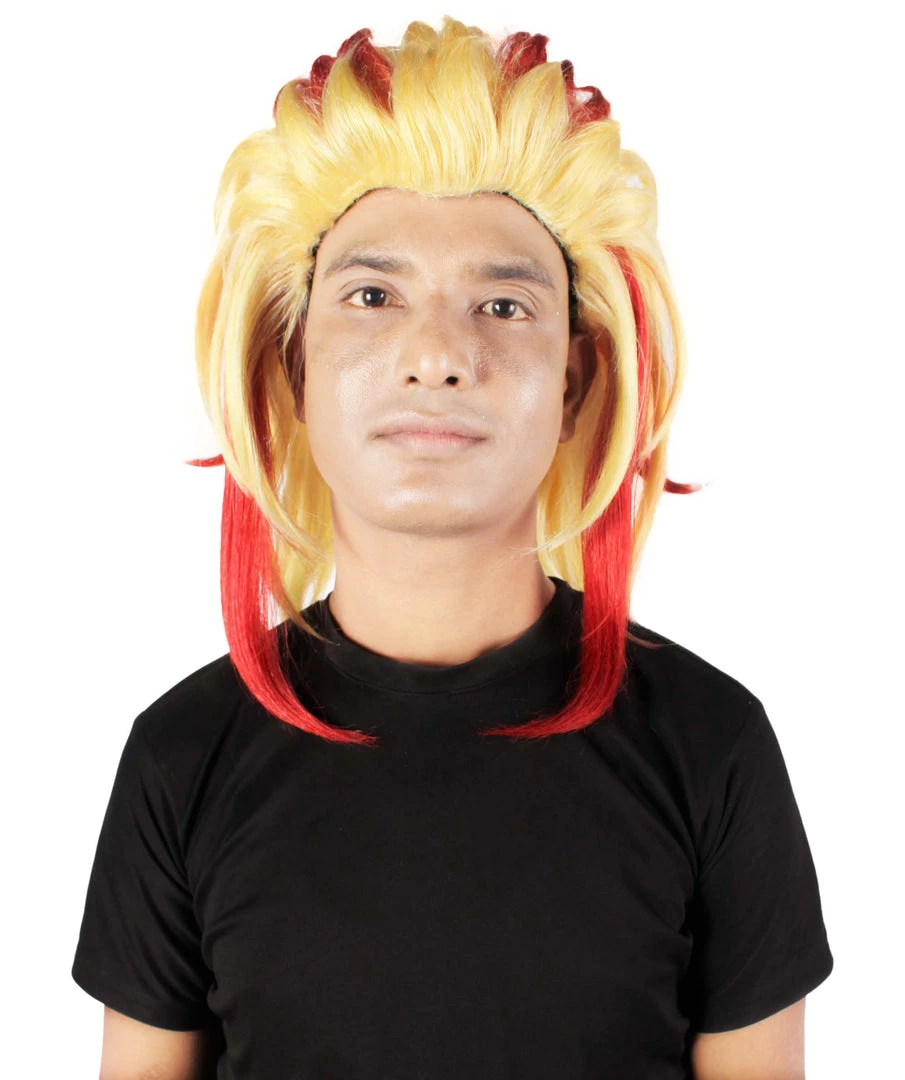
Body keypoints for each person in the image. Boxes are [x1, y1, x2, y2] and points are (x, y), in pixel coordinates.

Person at [71, 17, 833, 1079]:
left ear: (570, 384)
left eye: (503, 304)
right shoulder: (181, 757)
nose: (436, 355)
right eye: (371, 296)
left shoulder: (710, 746)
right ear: (294, 367)